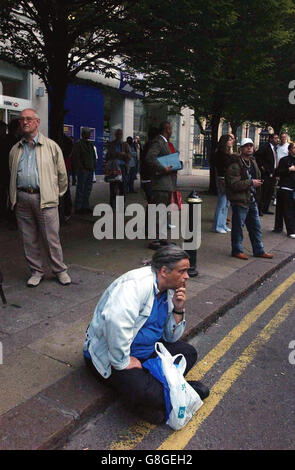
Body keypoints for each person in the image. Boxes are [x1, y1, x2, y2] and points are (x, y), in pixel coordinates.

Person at [83, 245, 209, 424]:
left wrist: (178, 310)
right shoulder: (135, 286)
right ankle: (178, 391)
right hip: (111, 356)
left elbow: (171, 338)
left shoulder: (170, 290)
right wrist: (123, 361)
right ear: (164, 271)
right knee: (144, 391)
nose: (187, 276)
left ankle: (163, 393)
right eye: (182, 271)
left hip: (146, 352)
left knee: (188, 353)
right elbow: (114, 322)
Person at [9, 108, 71, 287]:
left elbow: (62, 176)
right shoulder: (15, 149)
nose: (25, 122)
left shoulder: (51, 146)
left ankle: (60, 270)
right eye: (21, 120)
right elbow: (11, 173)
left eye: (29, 119)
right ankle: (36, 271)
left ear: (37, 122)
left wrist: (55, 195)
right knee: (28, 238)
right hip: (22, 199)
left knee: (51, 238)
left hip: (45, 200)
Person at [225, 137, 274, 260]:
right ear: (240, 149)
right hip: (240, 201)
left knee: (256, 227)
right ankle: (237, 250)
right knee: (238, 228)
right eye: (246, 146)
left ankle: (259, 250)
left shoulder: (253, 162)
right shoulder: (235, 165)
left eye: (251, 146)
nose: (249, 148)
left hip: (251, 200)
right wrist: (251, 183)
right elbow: (234, 185)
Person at [145, 121, 177, 250]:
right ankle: (155, 240)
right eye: (170, 128)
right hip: (160, 184)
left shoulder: (165, 143)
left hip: (167, 184)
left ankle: (162, 238)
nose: (172, 131)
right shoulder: (158, 142)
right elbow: (150, 158)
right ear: (167, 129)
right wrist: (164, 168)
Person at [211, 134, 234, 233]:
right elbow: (225, 165)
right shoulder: (220, 153)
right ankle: (217, 226)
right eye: (229, 140)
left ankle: (222, 224)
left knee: (226, 204)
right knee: (222, 203)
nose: (231, 141)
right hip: (222, 179)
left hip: (227, 179)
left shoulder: (227, 153)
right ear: (225, 142)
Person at [71, 128, 97, 215]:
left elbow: (93, 156)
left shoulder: (90, 144)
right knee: (81, 189)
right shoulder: (78, 144)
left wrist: (93, 166)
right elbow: (76, 157)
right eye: (88, 133)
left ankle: (85, 206)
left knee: (88, 189)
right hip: (83, 170)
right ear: (84, 134)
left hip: (90, 170)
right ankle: (78, 207)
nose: (90, 134)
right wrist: (81, 168)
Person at [273, 142, 295, 238]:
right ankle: (290, 231)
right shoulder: (284, 160)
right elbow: (278, 172)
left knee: (285, 208)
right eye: (294, 148)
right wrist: (289, 169)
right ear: (290, 150)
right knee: (286, 209)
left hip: (292, 188)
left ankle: (278, 227)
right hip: (285, 187)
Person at [106, 129, 131, 210]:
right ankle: (112, 207)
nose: (119, 136)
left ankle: (120, 207)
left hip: (122, 168)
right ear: (115, 135)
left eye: (120, 134)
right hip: (114, 169)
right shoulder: (111, 144)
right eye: (117, 134)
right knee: (113, 188)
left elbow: (129, 157)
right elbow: (108, 156)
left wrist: (124, 155)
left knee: (122, 189)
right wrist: (116, 154)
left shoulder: (125, 145)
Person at [255, 133, 279, 215]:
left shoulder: (274, 148)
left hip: (273, 173)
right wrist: (262, 166)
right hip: (266, 173)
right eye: (275, 138)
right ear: (271, 139)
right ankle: (260, 209)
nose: (277, 140)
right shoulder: (265, 147)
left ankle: (265, 208)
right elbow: (257, 156)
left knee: (270, 191)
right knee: (264, 191)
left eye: (277, 138)